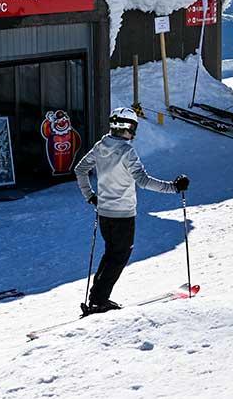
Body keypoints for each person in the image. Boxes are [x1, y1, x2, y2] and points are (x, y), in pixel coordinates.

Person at [74, 108, 189, 315]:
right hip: (123, 216)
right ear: (130, 128)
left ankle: (97, 297)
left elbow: (80, 169)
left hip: (104, 213)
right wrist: (173, 187)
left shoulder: (100, 147)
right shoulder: (127, 152)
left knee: (111, 254)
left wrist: (90, 196)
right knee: (118, 256)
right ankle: (99, 300)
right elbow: (143, 181)